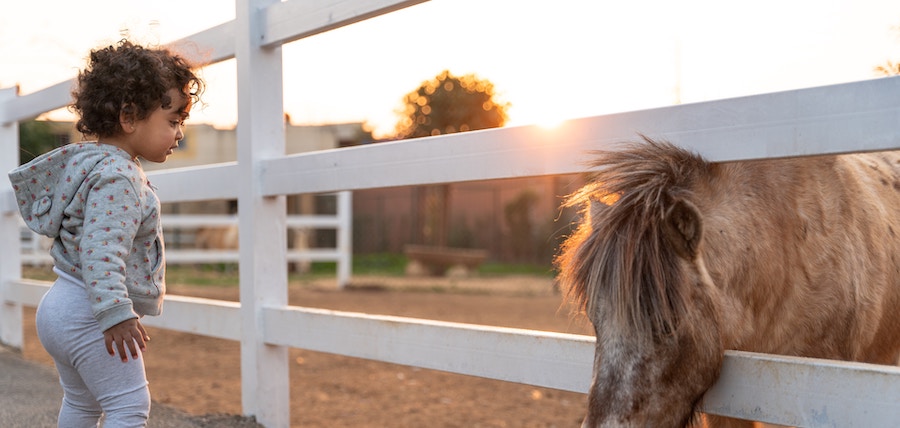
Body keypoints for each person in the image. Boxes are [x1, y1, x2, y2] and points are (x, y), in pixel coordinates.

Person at [8, 40, 203, 427]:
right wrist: (115, 313)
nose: (179, 133)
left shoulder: (90, 162)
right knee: (128, 408)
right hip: (89, 312)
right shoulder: (120, 177)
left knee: (82, 405)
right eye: (173, 121)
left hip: (61, 305)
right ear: (129, 117)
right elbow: (101, 250)